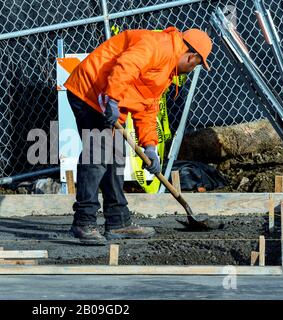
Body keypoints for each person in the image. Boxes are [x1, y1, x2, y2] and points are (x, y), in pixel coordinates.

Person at [64, 27, 212, 244]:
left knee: (114, 159)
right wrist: (112, 99)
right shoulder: (159, 45)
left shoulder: (167, 70)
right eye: (197, 65)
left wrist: (150, 146)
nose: (192, 70)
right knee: (98, 156)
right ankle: (83, 221)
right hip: (90, 92)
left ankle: (118, 220)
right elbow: (127, 65)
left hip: (106, 99)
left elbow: (148, 107)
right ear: (192, 56)